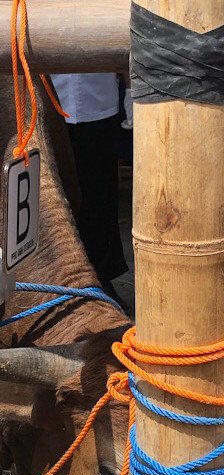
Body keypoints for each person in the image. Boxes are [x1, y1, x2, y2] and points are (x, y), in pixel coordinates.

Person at [51, 73, 129, 308]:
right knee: (52, 198)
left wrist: (131, 93)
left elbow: (124, 46)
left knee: (99, 197)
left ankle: (100, 277)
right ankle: (53, 280)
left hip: (99, 104)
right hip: (49, 104)